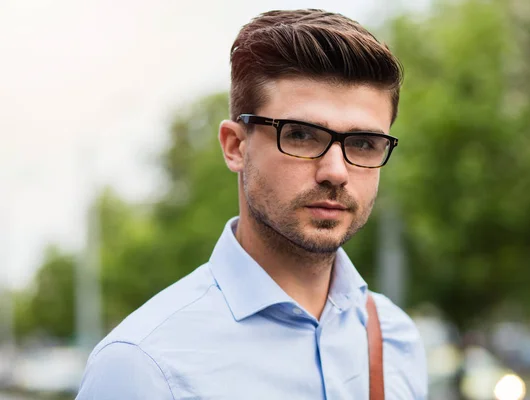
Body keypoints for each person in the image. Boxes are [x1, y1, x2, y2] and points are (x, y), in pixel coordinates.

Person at [76, 9, 427, 400]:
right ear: (235, 146)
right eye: (300, 136)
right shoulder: (145, 365)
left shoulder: (396, 339)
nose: (336, 171)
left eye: (363, 143)